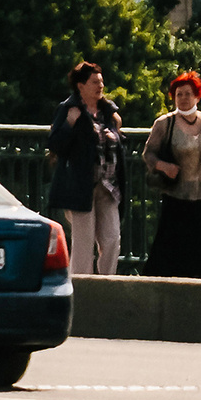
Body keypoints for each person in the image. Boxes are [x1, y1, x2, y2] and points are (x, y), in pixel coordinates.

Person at [140, 70, 201, 278]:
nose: (182, 98)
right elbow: (149, 154)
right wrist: (164, 166)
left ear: (197, 96)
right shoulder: (164, 123)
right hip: (177, 195)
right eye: (178, 94)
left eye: (187, 94)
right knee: (173, 247)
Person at [48, 60, 124, 276]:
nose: (100, 86)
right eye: (94, 82)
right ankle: (81, 290)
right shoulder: (69, 109)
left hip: (108, 185)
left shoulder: (108, 112)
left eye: (101, 82)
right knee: (83, 243)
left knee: (112, 240)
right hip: (80, 186)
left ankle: (106, 286)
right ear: (80, 86)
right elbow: (55, 145)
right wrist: (70, 124)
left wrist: (116, 133)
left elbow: (114, 144)